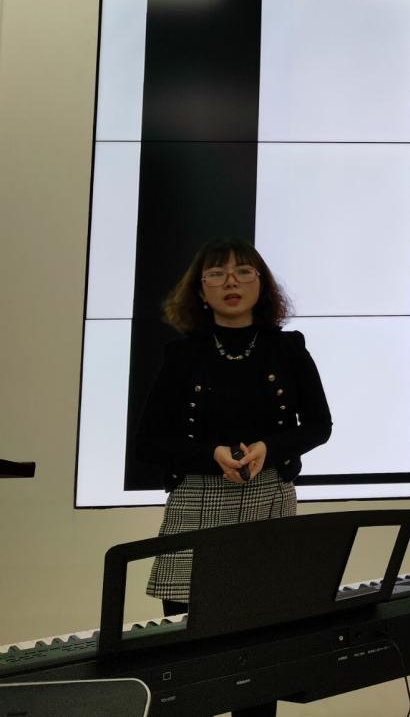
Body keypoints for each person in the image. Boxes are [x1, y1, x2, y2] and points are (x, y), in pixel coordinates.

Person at [135, 237, 332, 717]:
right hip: (196, 504)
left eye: (244, 272)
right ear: (200, 290)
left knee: (259, 661)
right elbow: (149, 442)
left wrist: (271, 448)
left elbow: (319, 426)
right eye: (217, 273)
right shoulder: (181, 356)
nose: (231, 282)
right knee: (189, 665)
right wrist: (211, 455)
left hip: (269, 500)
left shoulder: (288, 349)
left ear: (262, 285)